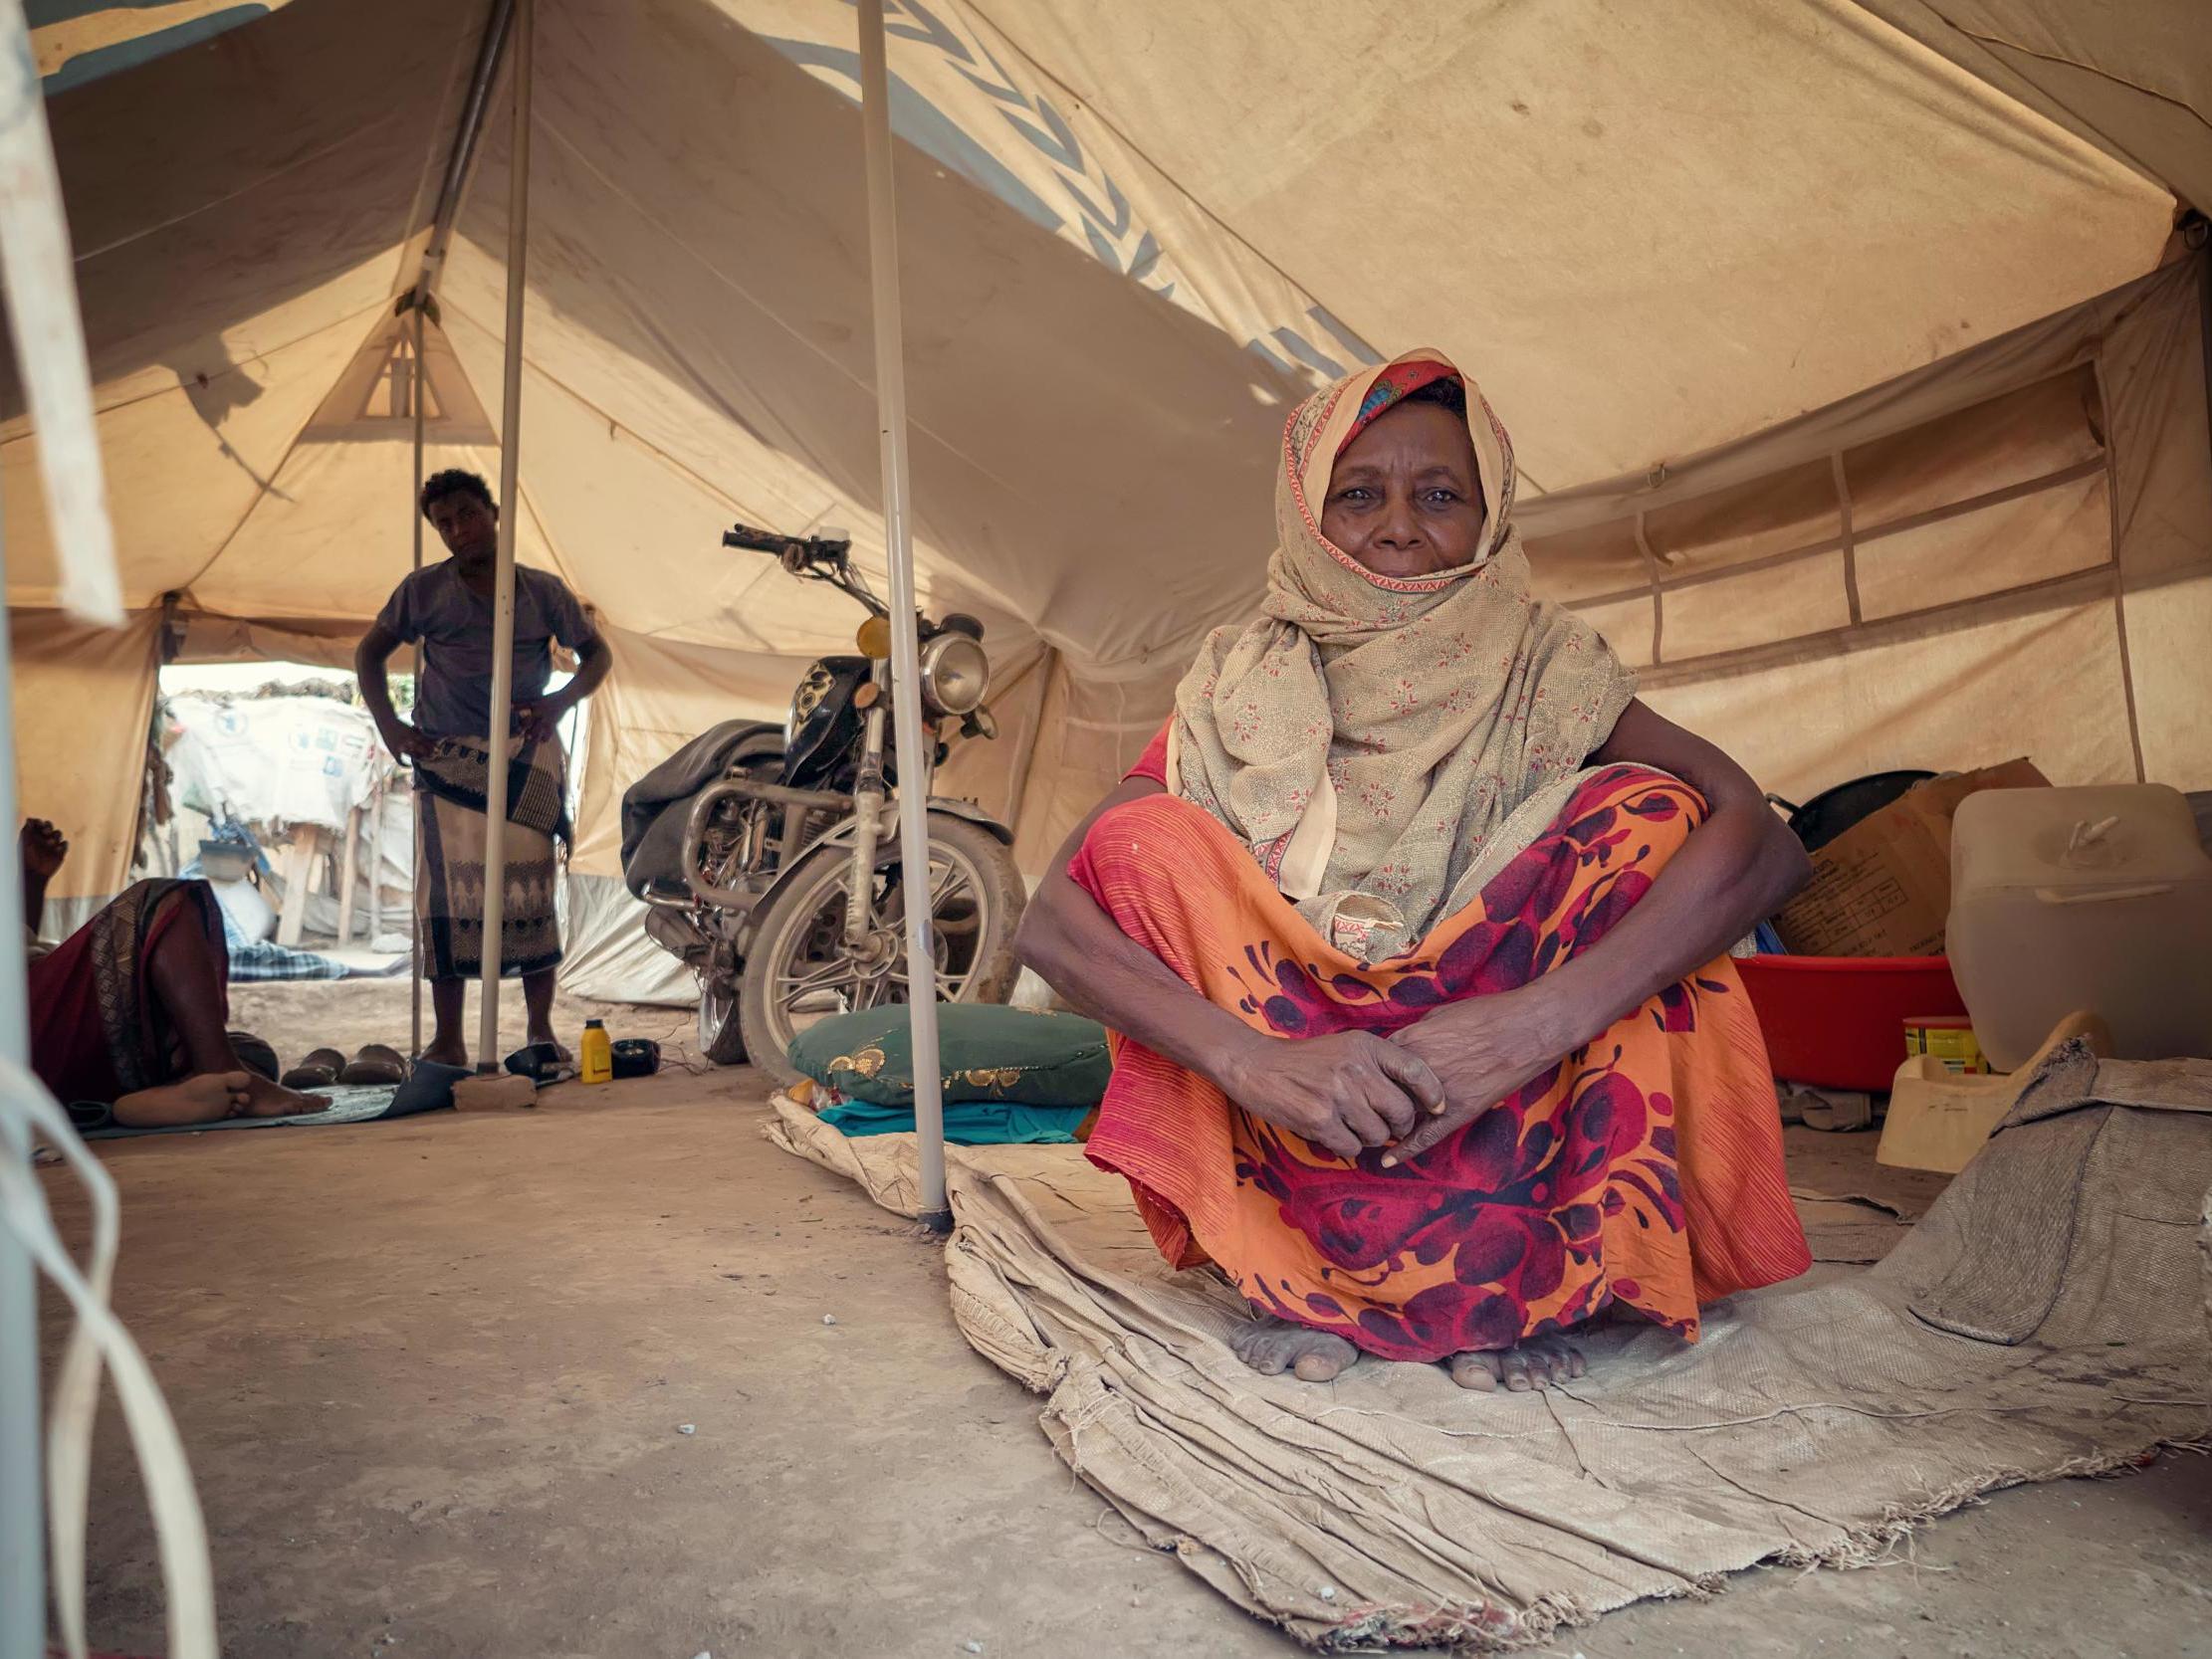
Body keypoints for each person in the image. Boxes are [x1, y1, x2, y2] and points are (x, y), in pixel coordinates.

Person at [1014, 351, 1814, 1393]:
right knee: (1141, 844)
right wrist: (1255, 1061)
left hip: (1489, 1066)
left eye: (1438, 494)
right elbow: (1049, 919)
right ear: (1305, 515)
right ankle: (1287, 1264)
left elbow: (1763, 840)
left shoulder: (1550, 668)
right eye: (1357, 494)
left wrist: (1529, 1022)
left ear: (1488, 519)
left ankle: (1526, 1268)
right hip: (1301, 1069)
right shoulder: (1234, 680)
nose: (1396, 524)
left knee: (1649, 812)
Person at [356, 470, 613, 1069]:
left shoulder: (542, 591)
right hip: (444, 758)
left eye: (467, 515)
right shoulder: (422, 591)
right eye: (444, 523)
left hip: (524, 750)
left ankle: (540, 1029)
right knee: (444, 899)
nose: (457, 530)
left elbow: (597, 655)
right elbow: (369, 653)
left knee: (529, 890)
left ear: (493, 513)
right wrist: (389, 725)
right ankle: (450, 1038)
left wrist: (558, 702)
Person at [22, 819, 329, 1127]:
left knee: (250, 1051)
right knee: (160, 899)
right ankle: (215, 1070)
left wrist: (33, 879)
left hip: (42, 1053)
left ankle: (147, 1100)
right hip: (25, 1040)